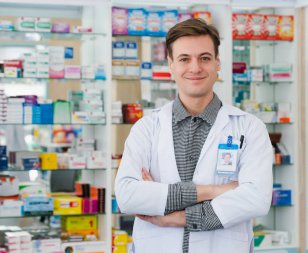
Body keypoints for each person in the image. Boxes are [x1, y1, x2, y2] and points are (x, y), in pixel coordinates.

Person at [115, 18, 273, 253]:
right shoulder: (146, 128)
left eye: (205, 58)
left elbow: (257, 199)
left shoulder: (249, 128)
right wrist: (215, 191)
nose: (195, 68)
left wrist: (174, 215)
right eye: (184, 59)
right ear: (170, 64)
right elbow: (127, 197)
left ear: (218, 63)